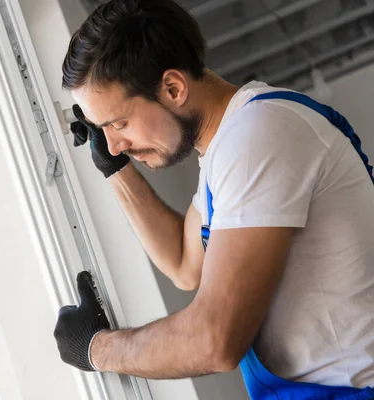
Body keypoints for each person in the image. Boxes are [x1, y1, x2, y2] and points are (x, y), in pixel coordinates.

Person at [52, 0, 374, 399]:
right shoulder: (226, 151)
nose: (115, 143)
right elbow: (185, 265)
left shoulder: (259, 134)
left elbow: (215, 339)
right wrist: (114, 169)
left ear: (173, 88)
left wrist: (96, 348)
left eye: (119, 123)